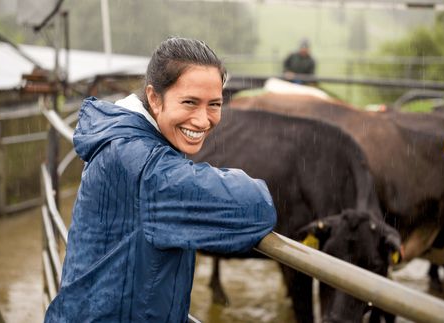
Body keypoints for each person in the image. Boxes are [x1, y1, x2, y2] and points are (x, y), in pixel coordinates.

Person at [44, 37, 277, 322]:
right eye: (190, 102)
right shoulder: (143, 166)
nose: (203, 120)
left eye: (214, 104)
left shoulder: (126, 139)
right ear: (154, 98)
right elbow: (256, 209)